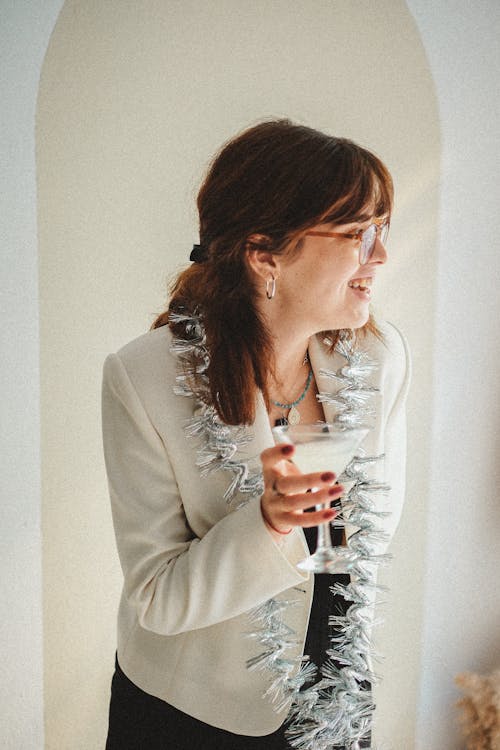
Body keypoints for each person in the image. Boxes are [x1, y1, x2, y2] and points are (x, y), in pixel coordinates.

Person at [102, 119, 411, 750]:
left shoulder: (381, 358)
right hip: (193, 712)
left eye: (381, 229)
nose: (379, 255)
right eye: (357, 233)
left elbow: (367, 549)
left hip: (337, 698)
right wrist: (267, 525)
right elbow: (156, 599)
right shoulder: (144, 377)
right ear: (264, 250)